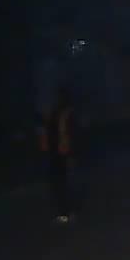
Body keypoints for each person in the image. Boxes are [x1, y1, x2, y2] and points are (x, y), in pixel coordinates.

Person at [39, 87, 78, 223]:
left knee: (63, 183)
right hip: (57, 153)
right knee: (60, 183)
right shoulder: (57, 114)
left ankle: (66, 213)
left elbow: (69, 135)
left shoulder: (64, 114)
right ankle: (64, 212)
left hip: (62, 153)